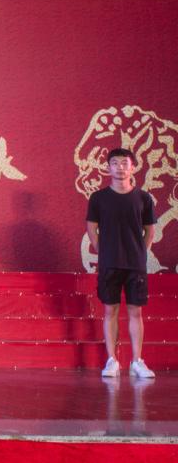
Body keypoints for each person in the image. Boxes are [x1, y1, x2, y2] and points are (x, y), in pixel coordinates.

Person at [86, 147, 157, 379]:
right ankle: (112, 361)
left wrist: (140, 253)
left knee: (136, 312)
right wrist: (103, 251)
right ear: (108, 168)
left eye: (124, 163)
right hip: (109, 263)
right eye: (115, 163)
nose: (120, 167)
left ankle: (137, 361)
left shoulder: (144, 198)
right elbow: (92, 228)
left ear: (133, 167)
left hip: (135, 264)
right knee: (110, 311)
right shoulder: (98, 198)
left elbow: (149, 231)